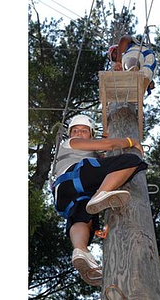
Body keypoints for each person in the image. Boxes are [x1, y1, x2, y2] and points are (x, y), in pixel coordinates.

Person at [51, 114, 147, 286]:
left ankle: (81, 251)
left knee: (82, 219)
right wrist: (131, 142)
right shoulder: (71, 143)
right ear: (70, 134)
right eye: (75, 130)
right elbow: (108, 144)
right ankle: (101, 194)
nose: (78, 133)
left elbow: (104, 156)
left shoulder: (88, 154)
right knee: (132, 160)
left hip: (65, 194)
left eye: (83, 131)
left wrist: (104, 152)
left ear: (91, 134)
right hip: (78, 176)